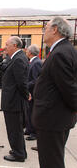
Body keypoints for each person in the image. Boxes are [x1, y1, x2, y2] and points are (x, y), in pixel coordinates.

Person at [32, 17, 77, 168]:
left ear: (55, 29)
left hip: (53, 120)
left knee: (51, 163)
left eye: (46, 28)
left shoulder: (60, 53)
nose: (44, 31)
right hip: (56, 118)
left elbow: (69, 89)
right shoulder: (64, 49)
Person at [1, 36, 29, 162]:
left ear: (15, 46)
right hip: (13, 100)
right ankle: (19, 150)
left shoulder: (18, 59)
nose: (5, 47)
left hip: (14, 101)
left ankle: (19, 154)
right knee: (15, 129)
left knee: (14, 129)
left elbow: (21, 82)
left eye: (7, 45)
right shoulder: (16, 58)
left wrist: (26, 95)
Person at [24, 44, 42, 141]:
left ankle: (34, 132)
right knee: (28, 111)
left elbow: (35, 80)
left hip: (33, 92)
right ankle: (29, 129)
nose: (26, 52)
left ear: (30, 52)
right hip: (29, 91)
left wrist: (25, 85)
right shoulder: (32, 62)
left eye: (27, 51)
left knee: (32, 112)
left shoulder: (36, 63)